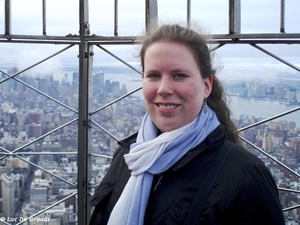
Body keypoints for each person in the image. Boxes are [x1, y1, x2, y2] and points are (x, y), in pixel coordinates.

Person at [89, 24, 285, 225]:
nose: (164, 89)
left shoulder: (245, 176)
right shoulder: (128, 156)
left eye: (179, 75)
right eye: (153, 75)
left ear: (206, 86)